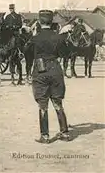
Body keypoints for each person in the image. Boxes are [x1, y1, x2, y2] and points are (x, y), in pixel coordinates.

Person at [31, 10, 71, 143]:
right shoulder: (58, 37)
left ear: (39, 21)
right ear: (51, 21)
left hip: (40, 72)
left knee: (43, 105)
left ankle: (45, 136)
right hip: (55, 70)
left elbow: (28, 54)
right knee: (58, 102)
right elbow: (66, 54)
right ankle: (64, 133)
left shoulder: (35, 38)